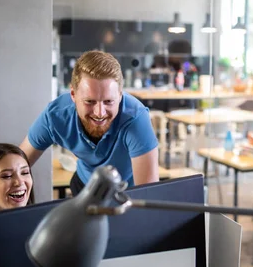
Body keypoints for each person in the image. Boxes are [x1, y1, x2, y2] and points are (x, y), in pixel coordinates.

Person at [19, 50, 159, 195]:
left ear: (119, 95)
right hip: (85, 184)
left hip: (126, 191)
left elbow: (148, 194)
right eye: (90, 101)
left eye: (108, 101)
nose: (100, 112)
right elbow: (15, 164)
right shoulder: (56, 115)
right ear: (73, 94)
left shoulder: (135, 119)